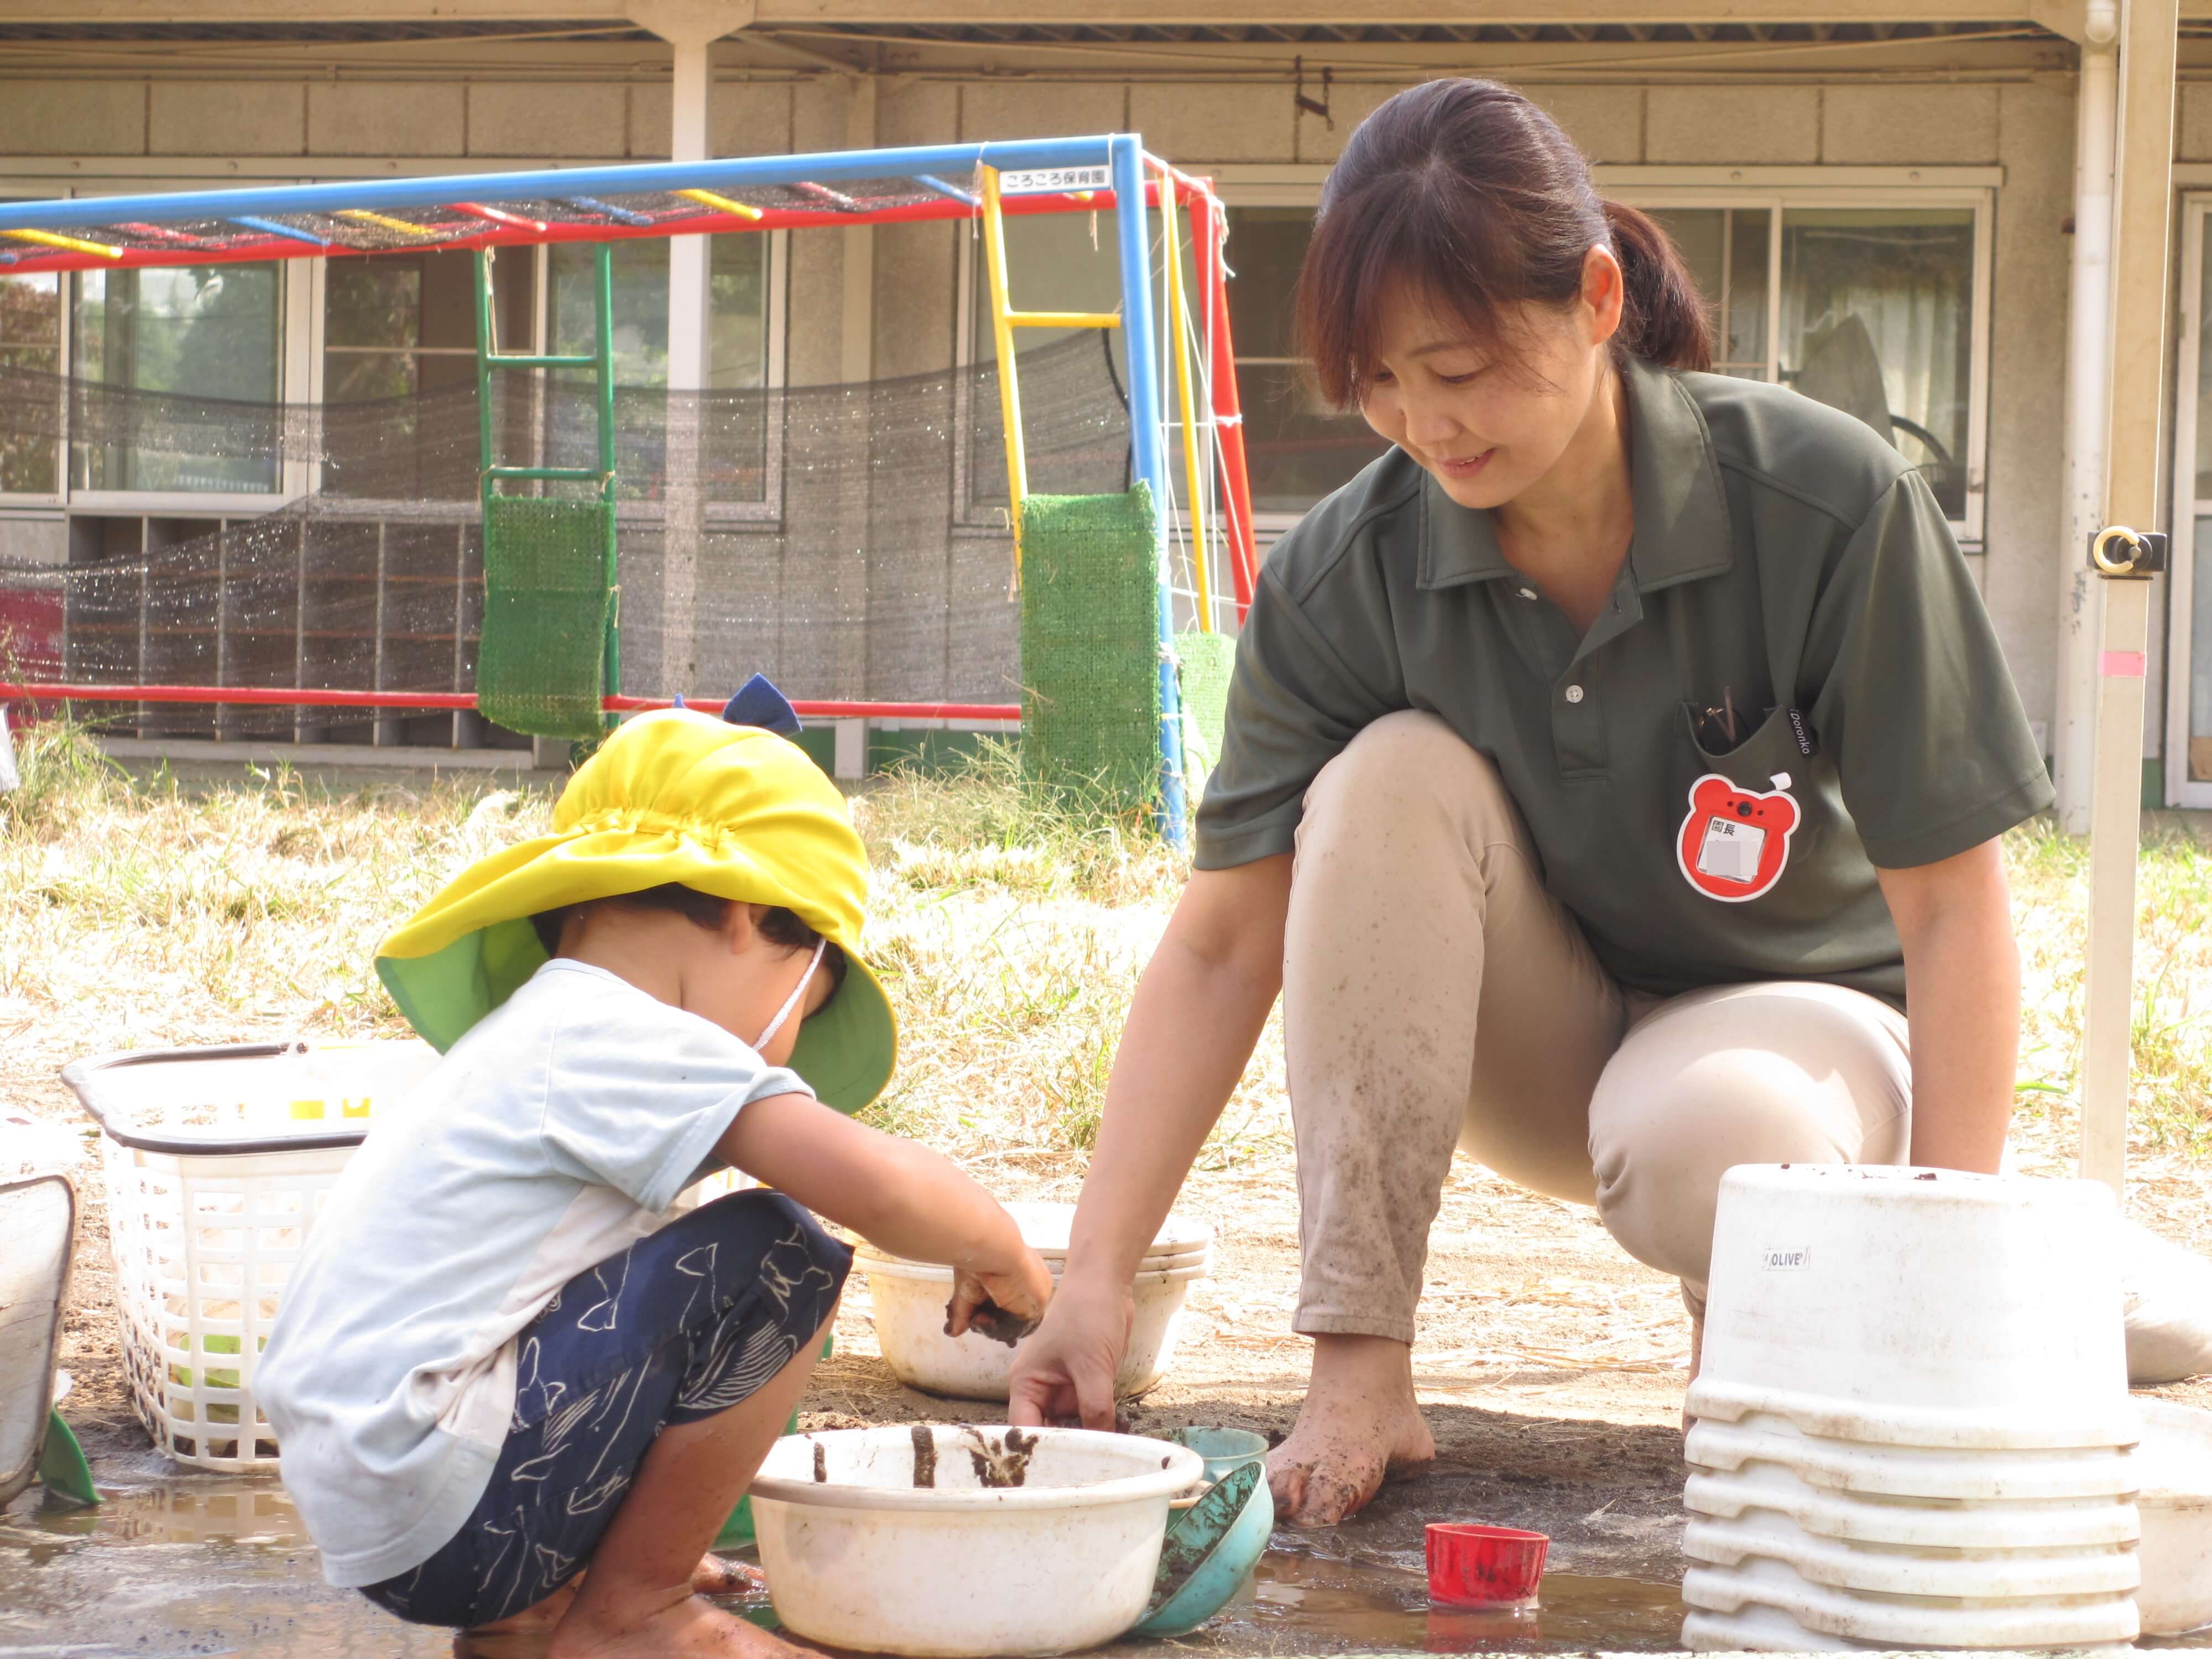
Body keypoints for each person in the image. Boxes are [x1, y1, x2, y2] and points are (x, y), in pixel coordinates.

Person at [1006, 76, 2092, 1526]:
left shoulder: (1825, 504)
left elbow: (1954, 912)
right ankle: (1361, 1373)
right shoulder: (1350, 568)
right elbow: (1219, 944)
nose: (1425, 426)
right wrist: (1089, 1286)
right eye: (1381, 384)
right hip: (1557, 1053)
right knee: (1384, 778)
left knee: (1717, 1130)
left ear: (1593, 298)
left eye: (1460, 368)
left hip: (1808, 1047)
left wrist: (1944, 1271)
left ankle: (1789, 1319)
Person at [259, 707, 1052, 1658]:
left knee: (645, 1262)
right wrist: (1000, 1250)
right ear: (747, 917)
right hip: (441, 1489)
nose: (789, 1044)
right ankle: (640, 1611)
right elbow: (878, 1187)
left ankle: (538, 1607)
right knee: (777, 1254)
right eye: (811, 1000)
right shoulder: (619, 1032)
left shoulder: (544, 1029)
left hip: (382, 1501)